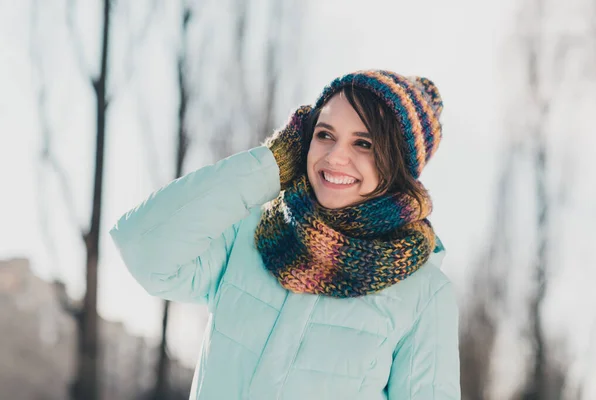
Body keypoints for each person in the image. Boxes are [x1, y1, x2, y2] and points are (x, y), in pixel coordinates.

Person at [110, 69, 461, 399]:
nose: (335, 156)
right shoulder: (250, 234)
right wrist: (269, 166)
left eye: (363, 144)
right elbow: (143, 249)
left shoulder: (424, 294)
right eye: (325, 134)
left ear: (397, 164)